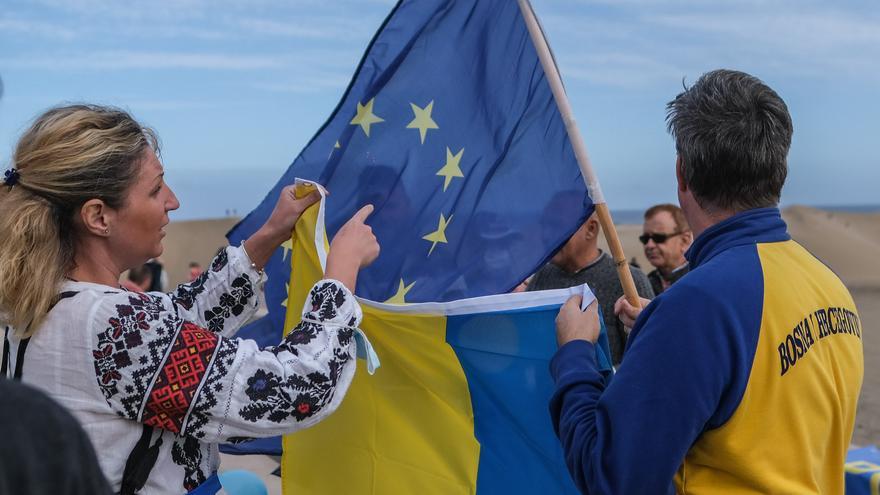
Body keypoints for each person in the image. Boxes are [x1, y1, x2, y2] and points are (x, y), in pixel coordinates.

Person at [0, 104, 380, 494]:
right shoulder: (112, 327)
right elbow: (294, 391)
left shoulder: (42, 305)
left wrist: (264, 239)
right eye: (155, 188)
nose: (173, 201)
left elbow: (176, 325)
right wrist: (341, 274)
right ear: (98, 216)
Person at [549, 70, 863, 493]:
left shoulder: (699, 306)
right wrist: (659, 334)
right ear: (778, 171)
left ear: (682, 174)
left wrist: (574, 353)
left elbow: (610, 477)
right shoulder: (828, 283)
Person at [527, 212, 654, 365]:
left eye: (557, 227)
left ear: (591, 229)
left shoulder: (628, 282)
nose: (547, 235)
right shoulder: (542, 276)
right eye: (544, 227)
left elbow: (646, 354)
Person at [641, 203, 692, 294]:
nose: (649, 245)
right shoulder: (643, 285)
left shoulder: (700, 282)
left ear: (685, 240)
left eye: (659, 238)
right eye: (645, 239)